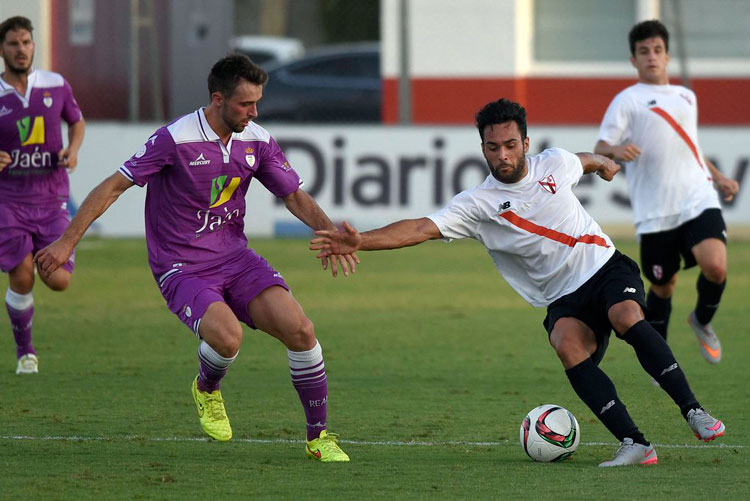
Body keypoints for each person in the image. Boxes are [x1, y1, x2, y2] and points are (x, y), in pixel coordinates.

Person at [311, 98, 725, 467]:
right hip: (562, 296)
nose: (503, 155)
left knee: (626, 315)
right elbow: (420, 227)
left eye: (511, 145)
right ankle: (635, 443)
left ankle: (693, 411)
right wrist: (361, 240)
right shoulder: (477, 204)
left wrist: (605, 163)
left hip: (604, 266)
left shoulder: (555, 163)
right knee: (566, 344)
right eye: (494, 148)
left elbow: (584, 159)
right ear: (483, 150)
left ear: (526, 142)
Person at [35, 54, 356, 462]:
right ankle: (207, 387)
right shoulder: (175, 139)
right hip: (181, 265)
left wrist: (330, 232)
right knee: (227, 337)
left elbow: (292, 194)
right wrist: (67, 242)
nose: (253, 112)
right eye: (245, 104)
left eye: (257, 103)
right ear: (218, 99)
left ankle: (319, 437)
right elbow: (114, 186)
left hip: (235, 258)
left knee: (302, 330)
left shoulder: (256, 138)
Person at [594, 20, 739, 364]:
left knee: (716, 266)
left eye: (657, 50)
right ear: (633, 60)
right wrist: (617, 150)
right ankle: (659, 358)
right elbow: (601, 144)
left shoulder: (686, 96)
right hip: (655, 212)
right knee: (663, 286)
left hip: (696, 197)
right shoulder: (627, 100)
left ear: (667, 55)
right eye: (644, 52)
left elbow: (692, 147)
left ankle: (701, 321)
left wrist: (718, 178)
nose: (651, 57)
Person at [0, 16, 86, 375]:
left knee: (59, 281)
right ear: (2, 49)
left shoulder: (55, 84)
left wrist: (73, 148)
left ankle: (39, 249)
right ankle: (26, 353)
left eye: (26, 42)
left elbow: (76, 121)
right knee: (22, 275)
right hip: (9, 201)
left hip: (51, 198)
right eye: (14, 44)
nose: (22, 50)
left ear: (34, 45)